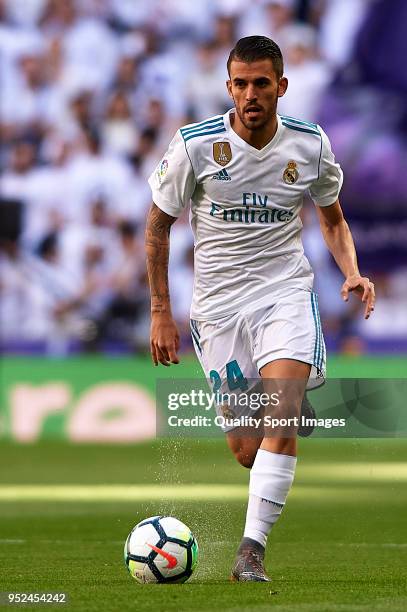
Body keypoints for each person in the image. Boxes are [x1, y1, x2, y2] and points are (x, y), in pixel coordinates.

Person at [145, 36, 375, 582]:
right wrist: (160, 310)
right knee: (249, 449)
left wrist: (351, 272)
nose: (251, 94)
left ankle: (250, 552)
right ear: (228, 88)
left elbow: (333, 218)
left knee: (282, 415)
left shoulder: (309, 145)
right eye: (241, 84)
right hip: (218, 309)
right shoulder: (195, 146)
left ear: (281, 87)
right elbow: (157, 226)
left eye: (262, 84)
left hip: (284, 293)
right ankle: (286, 416)